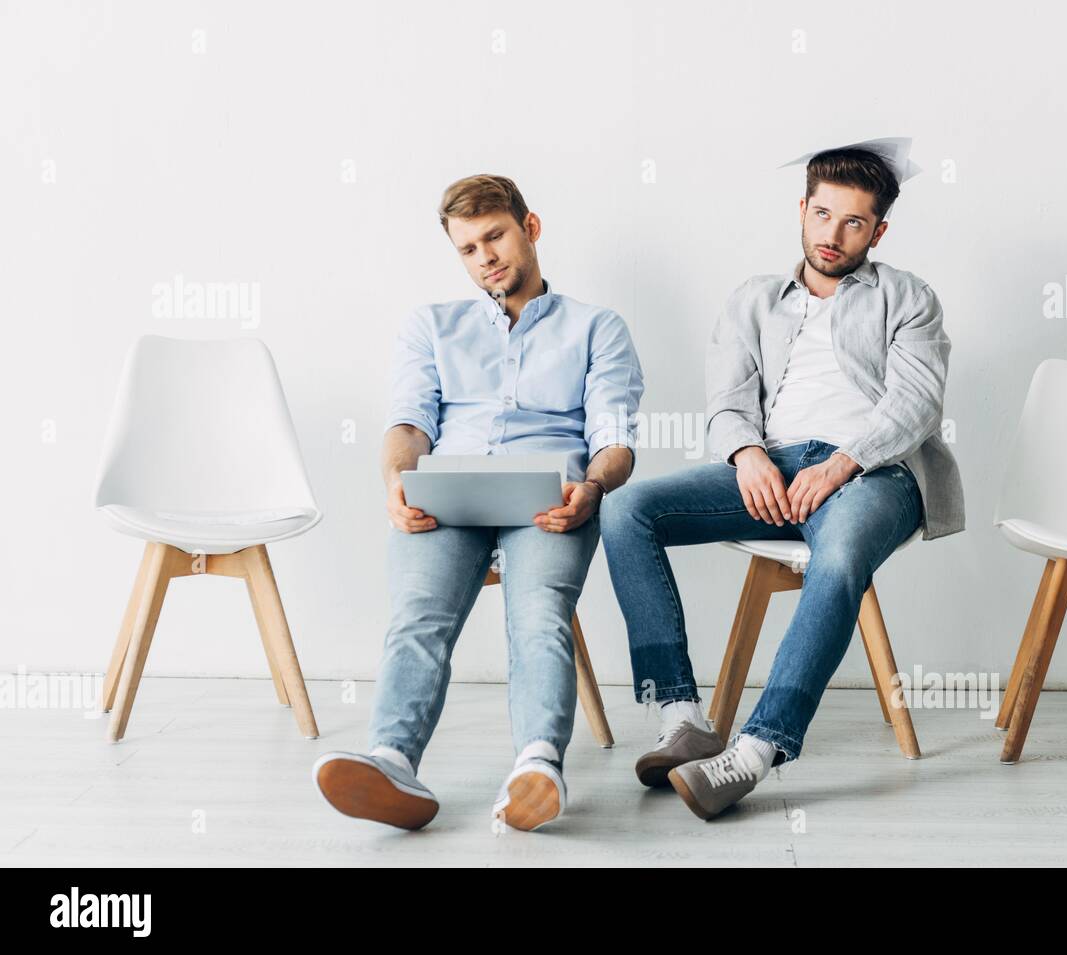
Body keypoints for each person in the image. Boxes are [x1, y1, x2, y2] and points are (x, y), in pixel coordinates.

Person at [601, 138, 964, 820]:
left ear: (878, 229)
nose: (833, 234)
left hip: (872, 474)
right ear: (801, 208)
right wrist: (747, 454)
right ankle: (680, 715)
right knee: (626, 511)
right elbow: (728, 400)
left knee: (843, 553)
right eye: (822, 214)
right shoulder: (753, 300)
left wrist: (841, 463)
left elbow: (915, 403)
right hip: (772, 466)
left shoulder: (908, 297)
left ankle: (757, 750)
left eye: (854, 221)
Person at [313, 174, 644, 831]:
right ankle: (391, 760)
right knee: (418, 613)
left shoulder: (596, 328)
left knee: (538, 614)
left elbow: (616, 442)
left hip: (550, 498)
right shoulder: (431, 326)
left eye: (495, 236)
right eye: (468, 248)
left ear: (531, 227)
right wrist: (396, 485)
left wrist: (593, 488)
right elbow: (408, 427)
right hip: (448, 491)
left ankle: (537, 763)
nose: (485, 256)